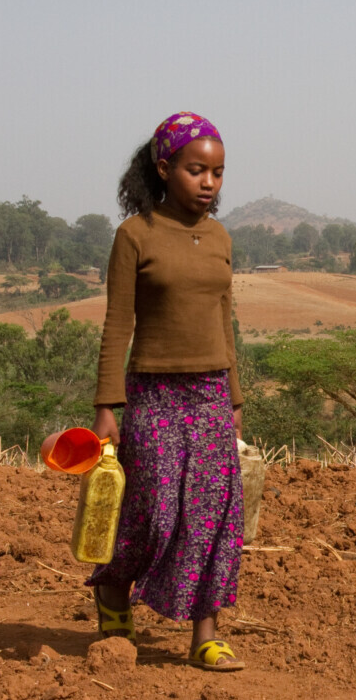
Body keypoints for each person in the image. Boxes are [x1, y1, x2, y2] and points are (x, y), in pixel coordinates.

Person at [88, 111, 246, 671]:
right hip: (152, 391)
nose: (209, 183)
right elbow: (117, 324)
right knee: (152, 509)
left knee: (213, 514)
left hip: (209, 393)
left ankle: (206, 632)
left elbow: (225, 320)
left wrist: (234, 400)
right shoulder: (136, 235)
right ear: (165, 168)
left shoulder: (222, 237)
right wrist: (107, 406)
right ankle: (112, 587)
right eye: (196, 170)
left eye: (218, 173)